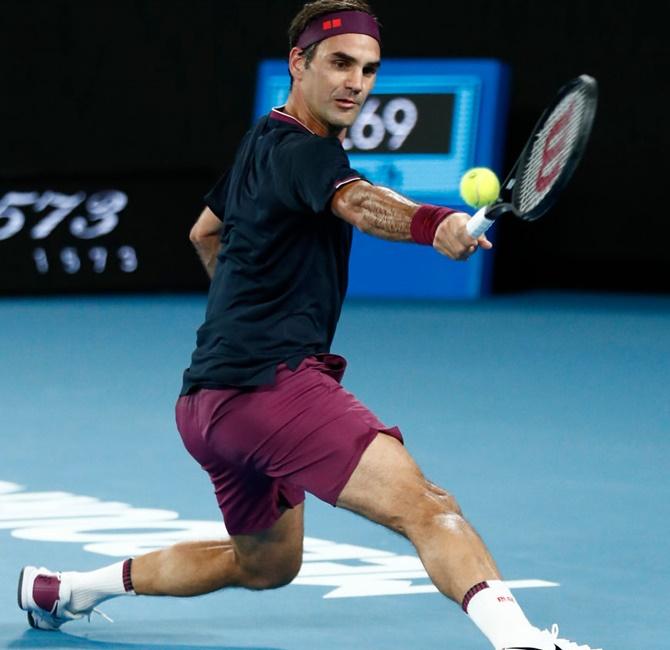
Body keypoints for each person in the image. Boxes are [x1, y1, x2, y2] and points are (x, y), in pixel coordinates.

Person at [18, 2, 602, 649]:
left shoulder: (261, 139)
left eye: (370, 69)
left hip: (205, 403)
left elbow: (204, 232)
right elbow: (355, 201)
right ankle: (521, 641)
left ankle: (62, 590)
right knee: (429, 508)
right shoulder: (307, 153)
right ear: (300, 64)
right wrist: (436, 226)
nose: (356, 82)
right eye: (340, 63)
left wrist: (246, 309)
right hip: (272, 390)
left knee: (265, 562)